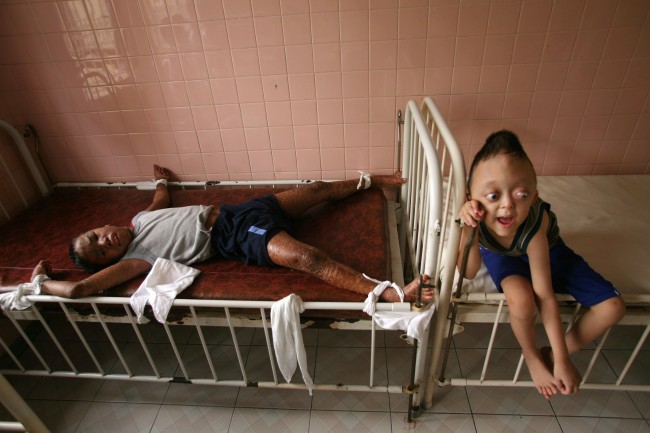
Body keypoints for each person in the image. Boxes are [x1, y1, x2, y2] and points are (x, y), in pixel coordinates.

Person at [31, 165, 432, 304]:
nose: (106, 242)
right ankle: (391, 293)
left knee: (317, 190)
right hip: (236, 235)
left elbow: (160, 198)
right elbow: (80, 291)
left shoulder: (140, 219)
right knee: (307, 258)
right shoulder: (138, 258)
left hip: (244, 210)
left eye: (96, 237)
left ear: (100, 226)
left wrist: (160, 180)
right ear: (112, 263)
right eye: (101, 252)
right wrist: (42, 284)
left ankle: (378, 180)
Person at [458, 130, 625, 400]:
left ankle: (550, 353)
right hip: (501, 256)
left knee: (613, 307)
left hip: (550, 252)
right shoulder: (473, 219)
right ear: (470, 197)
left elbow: (546, 296)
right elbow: (468, 272)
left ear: (535, 197)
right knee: (521, 299)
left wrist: (561, 360)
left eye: (521, 194)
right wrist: (468, 230)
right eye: (492, 196)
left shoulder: (535, 227)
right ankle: (532, 356)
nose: (507, 205)